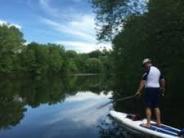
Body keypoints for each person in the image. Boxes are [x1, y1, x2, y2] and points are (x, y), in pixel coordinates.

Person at [135, 58, 165, 127]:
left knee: (148, 107)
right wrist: (163, 88)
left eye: (144, 65)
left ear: (146, 64)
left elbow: (143, 82)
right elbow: (163, 80)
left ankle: (148, 124)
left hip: (149, 90)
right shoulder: (157, 70)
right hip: (157, 89)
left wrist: (138, 91)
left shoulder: (147, 71)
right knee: (156, 106)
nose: (144, 67)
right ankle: (159, 123)